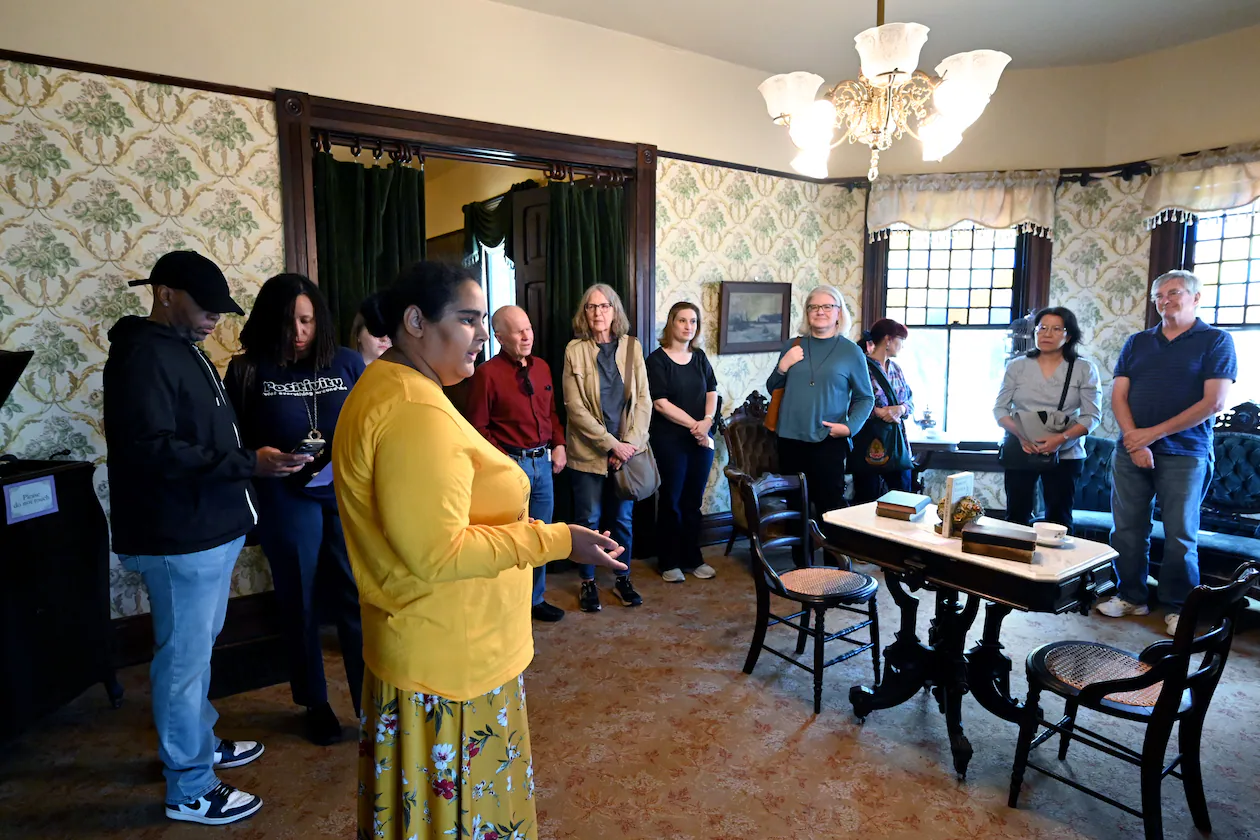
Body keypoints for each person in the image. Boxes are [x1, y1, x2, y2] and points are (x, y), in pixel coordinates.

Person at [332, 261, 626, 840]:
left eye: (484, 321)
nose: (483, 335)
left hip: (430, 641)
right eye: (468, 320)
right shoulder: (414, 410)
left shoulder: (397, 385)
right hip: (450, 659)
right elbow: (438, 553)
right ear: (416, 321)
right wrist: (557, 539)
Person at [104, 251, 313, 825]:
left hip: (207, 529)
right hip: (179, 535)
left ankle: (199, 743)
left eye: (221, 310)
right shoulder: (143, 355)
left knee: (196, 652)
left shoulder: (181, 347)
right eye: (205, 307)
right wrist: (248, 463)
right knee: (183, 663)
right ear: (165, 293)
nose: (214, 319)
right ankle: (190, 787)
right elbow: (153, 451)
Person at [223, 274, 366, 746]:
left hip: (343, 496)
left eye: (306, 321)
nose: (298, 332)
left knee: (357, 597)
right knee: (299, 600)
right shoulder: (248, 371)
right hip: (284, 497)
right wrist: (258, 460)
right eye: (288, 322)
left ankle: (370, 702)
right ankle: (314, 701)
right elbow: (231, 441)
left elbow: (373, 425)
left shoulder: (347, 363)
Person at [1097, 271, 1236, 636]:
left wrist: (1150, 436)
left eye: (1174, 293)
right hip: (1130, 451)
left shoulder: (1216, 340)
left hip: (1185, 453)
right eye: (1158, 295)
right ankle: (1131, 596)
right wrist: (1135, 441)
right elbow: (1118, 395)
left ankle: (1179, 608)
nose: (1164, 300)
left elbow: (1214, 402)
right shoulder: (1138, 342)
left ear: (1195, 297)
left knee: (1180, 535)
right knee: (1126, 530)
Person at [466, 305, 568, 622]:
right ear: (499, 337)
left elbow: (551, 413)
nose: (526, 336)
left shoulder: (542, 368)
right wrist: (505, 463)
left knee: (541, 536)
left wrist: (560, 444)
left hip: (543, 464)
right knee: (512, 538)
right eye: (518, 331)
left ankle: (535, 600)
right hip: (510, 465)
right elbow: (478, 428)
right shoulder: (486, 374)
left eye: (529, 328)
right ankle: (508, 604)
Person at [562, 283, 651, 612]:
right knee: (588, 519)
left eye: (604, 306)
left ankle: (622, 577)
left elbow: (644, 401)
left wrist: (628, 445)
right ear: (584, 313)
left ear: (615, 311)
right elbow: (574, 408)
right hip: (588, 453)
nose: (598, 312)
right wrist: (611, 444)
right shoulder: (574, 350)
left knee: (623, 520)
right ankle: (588, 582)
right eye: (591, 306)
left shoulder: (632, 348)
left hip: (627, 453)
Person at [766, 285, 874, 518]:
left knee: (830, 508)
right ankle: (799, 545)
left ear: (838, 313)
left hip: (828, 441)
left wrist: (849, 428)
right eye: (813, 307)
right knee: (795, 509)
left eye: (827, 306)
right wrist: (783, 367)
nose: (820, 311)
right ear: (807, 313)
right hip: (789, 440)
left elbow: (865, 398)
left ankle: (831, 545)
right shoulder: (792, 346)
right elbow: (772, 388)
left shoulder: (851, 352)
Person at [992, 306, 1101, 533]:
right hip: (1021, 447)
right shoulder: (1017, 365)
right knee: (1016, 517)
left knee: (1058, 520)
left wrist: (1060, 439)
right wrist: (1022, 436)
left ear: (1068, 336)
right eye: (1042, 328)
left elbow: (1092, 416)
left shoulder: (1084, 368)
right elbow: (1000, 409)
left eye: (1056, 329)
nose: (1047, 334)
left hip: (1066, 453)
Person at [647, 301, 718, 583]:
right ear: (671, 323)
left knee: (693, 501)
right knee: (672, 500)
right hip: (670, 441)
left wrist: (707, 421)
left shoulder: (699, 357)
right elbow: (660, 403)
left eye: (693, 321)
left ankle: (692, 558)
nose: (688, 326)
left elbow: (712, 391)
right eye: (682, 320)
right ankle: (669, 561)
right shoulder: (657, 360)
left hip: (701, 441)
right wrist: (695, 425)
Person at [851, 318, 916, 504]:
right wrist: (877, 412)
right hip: (867, 439)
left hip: (896, 440)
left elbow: (910, 402)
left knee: (903, 498)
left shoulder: (896, 369)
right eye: (900, 340)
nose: (902, 345)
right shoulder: (862, 367)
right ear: (888, 339)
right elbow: (850, 402)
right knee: (866, 497)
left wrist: (900, 409)